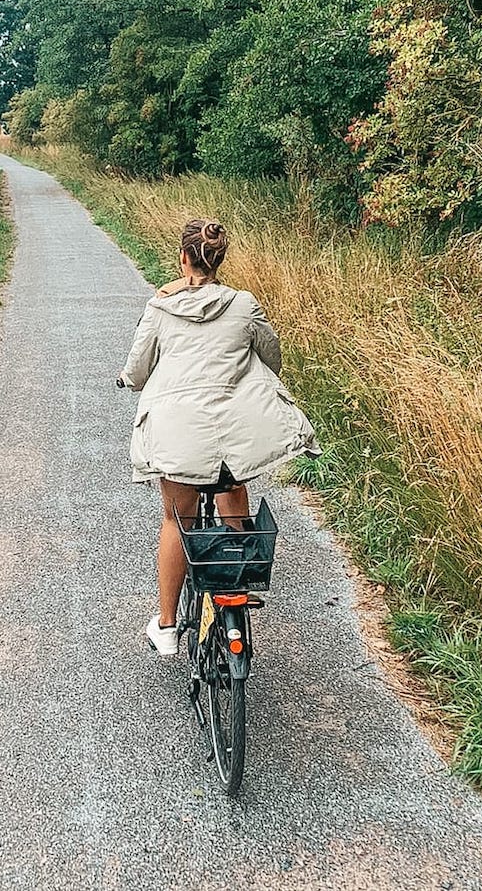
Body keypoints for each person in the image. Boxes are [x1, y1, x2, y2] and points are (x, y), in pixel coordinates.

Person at [118, 218, 319, 656]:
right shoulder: (244, 304)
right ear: (220, 258)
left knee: (177, 519)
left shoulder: (160, 308)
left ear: (183, 257)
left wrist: (130, 378)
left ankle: (168, 627)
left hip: (180, 437)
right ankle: (239, 583)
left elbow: (135, 373)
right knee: (233, 486)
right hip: (235, 436)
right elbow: (272, 356)